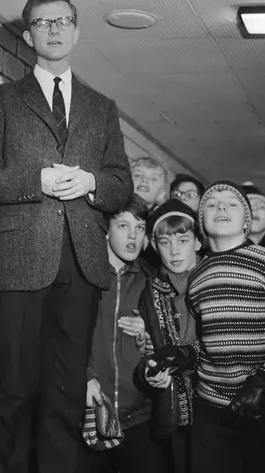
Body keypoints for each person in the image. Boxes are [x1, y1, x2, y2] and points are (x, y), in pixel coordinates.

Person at [0, 0, 133, 473]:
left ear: (76, 32)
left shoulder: (102, 107)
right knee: (13, 390)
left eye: (62, 21)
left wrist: (92, 183)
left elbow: (120, 185)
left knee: (67, 393)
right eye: (42, 22)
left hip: (81, 264)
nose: (53, 30)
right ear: (28, 36)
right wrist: (35, 181)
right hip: (19, 263)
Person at [149, 181, 265, 473]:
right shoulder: (198, 276)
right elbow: (209, 341)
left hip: (260, 406)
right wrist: (184, 355)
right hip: (210, 408)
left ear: (246, 220)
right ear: (202, 221)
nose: (221, 208)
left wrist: (264, 381)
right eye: (212, 204)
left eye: (231, 203)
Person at [83, 194, 172, 473]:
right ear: (105, 230)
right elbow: (61, 337)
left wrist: (152, 334)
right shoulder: (84, 277)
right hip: (90, 413)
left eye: (140, 227)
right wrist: (84, 375)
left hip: (141, 419)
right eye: (123, 226)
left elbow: (169, 342)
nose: (133, 236)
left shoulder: (154, 281)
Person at [134, 199, 202, 473]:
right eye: (165, 242)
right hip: (172, 412)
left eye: (183, 240)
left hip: (214, 408)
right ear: (154, 245)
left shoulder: (214, 279)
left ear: (198, 242)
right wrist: (149, 371)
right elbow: (146, 355)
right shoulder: (149, 292)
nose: (174, 251)